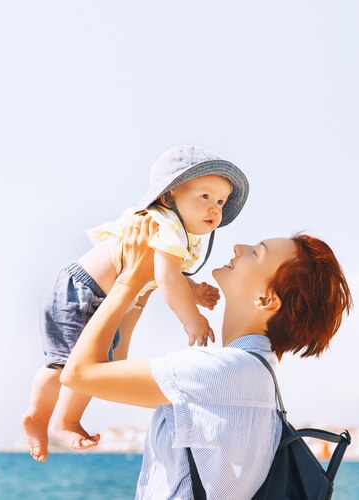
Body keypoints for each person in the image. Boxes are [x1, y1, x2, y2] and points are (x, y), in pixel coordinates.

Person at [61, 214, 353, 499]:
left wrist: (129, 281)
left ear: (266, 299)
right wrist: (142, 291)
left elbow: (78, 375)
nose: (238, 247)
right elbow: (108, 373)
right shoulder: (253, 376)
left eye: (255, 253)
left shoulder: (228, 372)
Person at [22, 146, 250, 462]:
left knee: (77, 364)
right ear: (169, 197)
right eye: (205, 197)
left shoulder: (175, 231)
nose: (215, 208)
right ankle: (60, 420)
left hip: (93, 294)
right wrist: (191, 318)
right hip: (81, 291)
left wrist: (194, 289)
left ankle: (48, 416)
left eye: (221, 201)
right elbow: (168, 277)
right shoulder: (165, 224)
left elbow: (169, 273)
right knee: (75, 365)